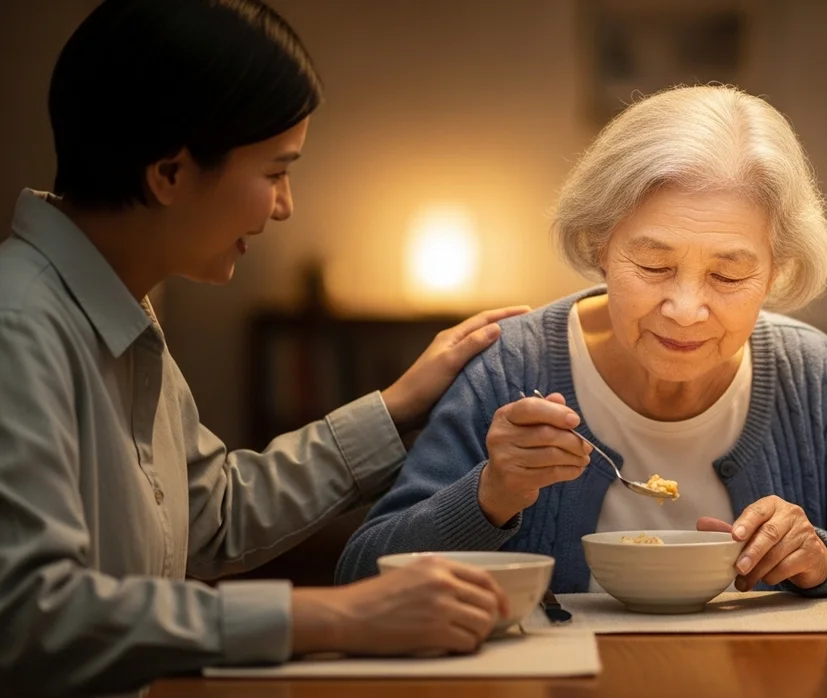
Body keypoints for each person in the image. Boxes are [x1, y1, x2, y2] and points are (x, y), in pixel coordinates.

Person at [0, 1, 526, 695]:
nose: (286, 207)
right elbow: (34, 618)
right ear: (169, 173)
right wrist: (337, 616)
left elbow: (209, 514)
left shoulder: (113, 304)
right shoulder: (20, 325)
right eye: (276, 172)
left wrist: (397, 408)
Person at [337, 85, 827, 597]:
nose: (686, 309)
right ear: (599, 245)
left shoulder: (812, 373)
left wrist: (825, 556)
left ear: (777, 271)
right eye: (654, 266)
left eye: (729, 274)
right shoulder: (511, 364)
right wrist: (489, 494)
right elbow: (359, 575)